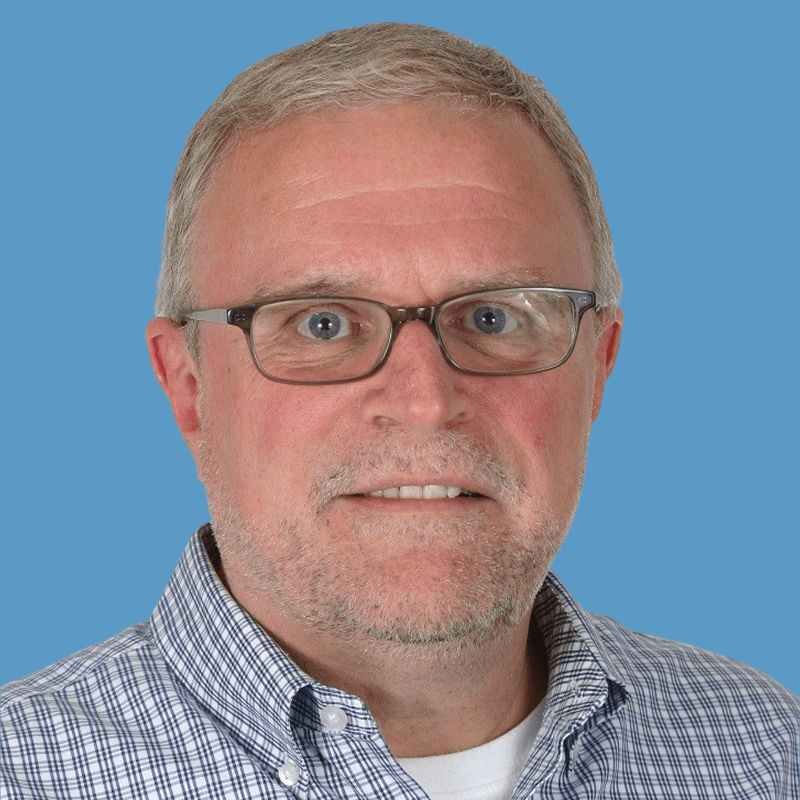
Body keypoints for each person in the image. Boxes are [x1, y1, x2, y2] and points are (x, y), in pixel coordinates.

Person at [1, 22, 797, 800]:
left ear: (599, 367)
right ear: (190, 386)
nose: (425, 401)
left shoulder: (766, 752)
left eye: (495, 318)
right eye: (322, 324)